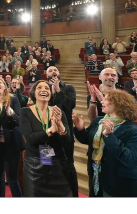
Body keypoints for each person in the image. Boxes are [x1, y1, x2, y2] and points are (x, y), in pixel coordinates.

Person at [73, 90, 137, 197]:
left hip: (118, 182)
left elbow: (130, 159)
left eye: (106, 99)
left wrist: (109, 136)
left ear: (118, 103)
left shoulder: (133, 130)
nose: (102, 101)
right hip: (96, 174)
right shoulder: (99, 120)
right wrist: (80, 129)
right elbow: (87, 140)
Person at [20, 80, 73, 197]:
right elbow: (30, 138)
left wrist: (61, 128)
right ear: (34, 93)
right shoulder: (25, 112)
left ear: (51, 93)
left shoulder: (59, 112)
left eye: (47, 88)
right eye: (39, 88)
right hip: (34, 166)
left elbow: (67, 141)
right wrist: (51, 130)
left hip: (57, 164)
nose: (43, 90)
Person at [0, 77, 24, 197]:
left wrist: (9, 111)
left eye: (0, 83)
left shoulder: (13, 99)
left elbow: (19, 120)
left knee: (12, 179)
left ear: (5, 86)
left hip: (12, 144)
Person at [47, 66, 79, 197]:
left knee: (68, 164)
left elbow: (70, 105)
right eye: (50, 70)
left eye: (55, 70)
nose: (53, 72)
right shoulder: (43, 89)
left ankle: (72, 195)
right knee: (47, 164)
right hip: (48, 135)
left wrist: (59, 91)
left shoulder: (68, 88)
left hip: (65, 133)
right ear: (46, 74)